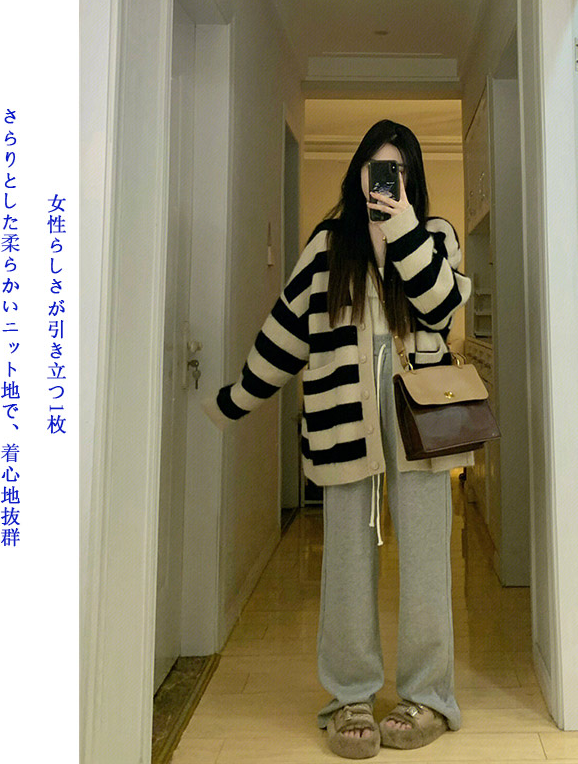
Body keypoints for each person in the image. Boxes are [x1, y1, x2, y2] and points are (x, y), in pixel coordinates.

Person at [202, 119, 473, 759]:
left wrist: (403, 228)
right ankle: (350, 697)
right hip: (343, 418)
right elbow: (286, 328)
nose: (385, 182)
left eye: (397, 171)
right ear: (357, 175)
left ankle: (428, 698)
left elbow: (440, 308)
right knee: (347, 562)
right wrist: (238, 396)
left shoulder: (435, 236)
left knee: (427, 562)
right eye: (376, 170)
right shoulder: (329, 246)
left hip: (419, 417)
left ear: (410, 179)